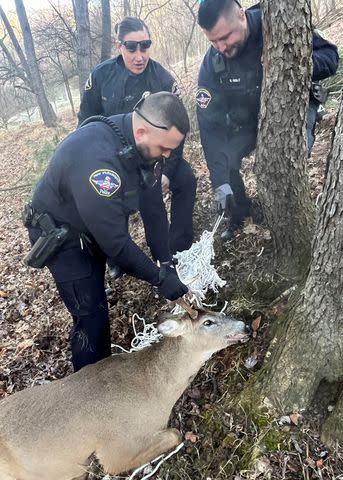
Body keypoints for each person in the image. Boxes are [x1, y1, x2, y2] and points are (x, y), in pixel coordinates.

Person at [24, 92, 189, 372]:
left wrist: (167, 262)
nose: (168, 155)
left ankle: (101, 377)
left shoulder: (143, 146)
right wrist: (159, 280)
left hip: (92, 225)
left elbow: (154, 209)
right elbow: (116, 244)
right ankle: (88, 391)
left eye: (171, 149)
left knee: (98, 303)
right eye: (164, 149)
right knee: (91, 317)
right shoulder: (98, 162)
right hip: (60, 238)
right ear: (141, 131)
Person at [196, 0, 339, 241]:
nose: (220, 47)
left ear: (241, 15)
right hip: (249, 120)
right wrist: (219, 182)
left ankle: (292, 222)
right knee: (226, 160)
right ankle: (240, 211)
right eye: (213, 41)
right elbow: (209, 125)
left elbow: (330, 57)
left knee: (289, 154)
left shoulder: (276, 25)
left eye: (225, 37)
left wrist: (295, 67)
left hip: (292, 112)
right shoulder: (213, 62)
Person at [78, 16, 196, 268]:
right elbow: (86, 121)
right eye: (131, 47)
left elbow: (176, 133)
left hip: (152, 158)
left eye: (145, 45)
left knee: (173, 188)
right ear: (118, 46)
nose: (139, 55)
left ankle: (172, 253)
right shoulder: (101, 76)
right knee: (107, 203)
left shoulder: (162, 79)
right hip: (113, 158)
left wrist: (167, 171)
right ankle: (116, 258)